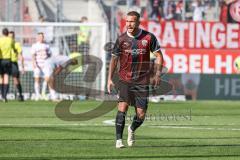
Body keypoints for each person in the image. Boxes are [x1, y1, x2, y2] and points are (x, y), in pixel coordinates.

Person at [107, 11, 164, 148]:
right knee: (122, 106)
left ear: (138, 22)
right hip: (125, 79)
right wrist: (109, 79)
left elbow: (159, 56)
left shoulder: (149, 38)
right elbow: (114, 60)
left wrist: (157, 74)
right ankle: (118, 140)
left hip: (142, 80)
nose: (129, 24)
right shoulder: (121, 39)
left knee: (141, 114)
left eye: (132, 21)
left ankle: (131, 129)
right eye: (127, 21)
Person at [31, 32, 52, 101]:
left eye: (42, 37)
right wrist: (34, 64)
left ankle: (43, 93)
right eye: (39, 37)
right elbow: (33, 55)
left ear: (43, 37)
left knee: (47, 79)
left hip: (45, 65)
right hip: (37, 65)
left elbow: (50, 55)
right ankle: (37, 94)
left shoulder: (47, 46)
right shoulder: (34, 46)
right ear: (37, 38)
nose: (41, 38)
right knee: (37, 79)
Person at [9, 31, 25, 101]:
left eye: (12, 37)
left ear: (14, 37)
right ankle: (2, 95)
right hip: (5, 62)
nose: (11, 38)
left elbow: (20, 56)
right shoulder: (4, 44)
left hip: (13, 63)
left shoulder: (17, 44)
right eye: (9, 37)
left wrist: (22, 67)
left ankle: (20, 95)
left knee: (16, 79)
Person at [0, 28, 15, 102]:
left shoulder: (0, 40)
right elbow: (13, 48)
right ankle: (5, 96)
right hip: (8, 60)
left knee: (1, 78)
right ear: (7, 33)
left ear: (2, 33)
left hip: (1, 60)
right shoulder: (10, 40)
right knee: (6, 77)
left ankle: (1, 95)